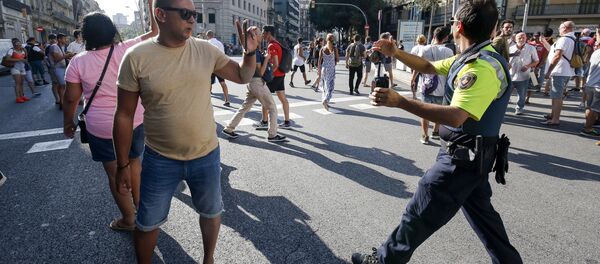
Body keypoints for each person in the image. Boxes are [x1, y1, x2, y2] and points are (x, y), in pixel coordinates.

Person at [352, 0, 522, 262]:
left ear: (458, 26)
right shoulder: (473, 57)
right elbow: (429, 67)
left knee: (417, 215)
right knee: (487, 224)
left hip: (460, 160)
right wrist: (395, 52)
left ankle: (383, 261)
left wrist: (401, 102)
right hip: (473, 158)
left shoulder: (480, 67)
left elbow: (456, 116)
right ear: (493, 29)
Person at [114, 0, 258, 262]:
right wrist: (123, 164)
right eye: (185, 13)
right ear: (161, 14)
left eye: (194, 14)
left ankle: (208, 259)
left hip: (207, 155)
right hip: (159, 159)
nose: (192, 19)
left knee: (212, 212)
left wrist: (249, 53)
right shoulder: (136, 57)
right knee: (147, 223)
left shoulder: (205, 50)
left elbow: (242, 76)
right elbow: (123, 114)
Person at [63, 7, 158, 232]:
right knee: (135, 164)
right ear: (112, 31)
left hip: (101, 127)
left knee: (115, 171)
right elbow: (155, 31)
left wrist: (68, 122)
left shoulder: (77, 62)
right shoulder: (126, 48)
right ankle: (143, 213)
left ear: (85, 36)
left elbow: (71, 99)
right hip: (135, 119)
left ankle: (128, 219)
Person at [221, 27, 287, 142]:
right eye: (258, 33)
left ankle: (229, 128)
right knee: (272, 108)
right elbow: (260, 72)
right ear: (253, 37)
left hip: (252, 83)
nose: (261, 35)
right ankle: (272, 134)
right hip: (257, 83)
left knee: (244, 107)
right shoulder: (254, 52)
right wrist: (266, 59)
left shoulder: (254, 50)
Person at [413, 27, 454, 144]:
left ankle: (424, 135)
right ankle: (435, 132)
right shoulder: (449, 52)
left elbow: (418, 65)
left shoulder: (424, 50)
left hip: (426, 86)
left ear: (433, 36)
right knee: (439, 112)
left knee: (424, 112)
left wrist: (413, 78)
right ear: (446, 37)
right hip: (442, 89)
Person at [541, 21, 576, 126]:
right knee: (556, 95)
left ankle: (555, 119)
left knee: (557, 97)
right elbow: (553, 51)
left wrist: (549, 71)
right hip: (564, 71)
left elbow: (557, 56)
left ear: (565, 28)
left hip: (559, 71)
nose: (559, 30)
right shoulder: (571, 39)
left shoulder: (564, 39)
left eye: (560, 28)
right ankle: (553, 115)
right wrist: (544, 42)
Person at [262, 25, 292, 129]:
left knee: (265, 99)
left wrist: (267, 76)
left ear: (269, 33)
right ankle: (287, 121)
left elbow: (275, 64)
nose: (262, 35)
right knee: (283, 98)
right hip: (281, 74)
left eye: (264, 32)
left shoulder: (271, 45)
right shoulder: (278, 43)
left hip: (274, 76)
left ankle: (264, 122)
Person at [509, 32, 539, 115]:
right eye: (519, 38)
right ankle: (503, 108)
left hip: (523, 76)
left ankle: (519, 108)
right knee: (506, 94)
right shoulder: (510, 48)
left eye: (523, 37)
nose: (521, 39)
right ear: (515, 39)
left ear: (526, 38)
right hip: (510, 75)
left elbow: (536, 61)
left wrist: (528, 66)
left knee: (521, 95)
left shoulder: (531, 48)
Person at [580, 41, 600, 137]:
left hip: (590, 83)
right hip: (597, 85)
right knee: (595, 108)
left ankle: (588, 125)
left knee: (589, 107)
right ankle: (588, 128)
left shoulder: (595, 52)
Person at [206, 30, 231, 107]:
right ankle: (227, 99)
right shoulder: (220, 43)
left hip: (211, 66)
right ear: (213, 35)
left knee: (209, 83)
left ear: (208, 36)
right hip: (220, 66)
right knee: (222, 83)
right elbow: (223, 54)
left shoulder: (207, 43)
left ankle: (208, 101)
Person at [49, 33, 73, 109]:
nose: (66, 40)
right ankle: (61, 102)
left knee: (62, 85)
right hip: (57, 68)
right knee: (62, 85)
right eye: (64, 38)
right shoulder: (54, 46)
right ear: (59, 39)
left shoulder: (62, 47)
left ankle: (62, 101)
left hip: (62, 68)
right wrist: (67, 55)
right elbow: (56, 59)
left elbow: (63, 57)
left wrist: (70, 56)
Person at [525, 32, 549, 103]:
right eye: (534, 36)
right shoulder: (530, 44)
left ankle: (528, 98)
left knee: (533, 83)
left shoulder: (544, 46)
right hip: (527, 66)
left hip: (534, 68)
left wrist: (538, 67)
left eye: (537, 36)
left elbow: (544, 58)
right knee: (524, 83)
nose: (536, 37)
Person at [318, 33, 339, 110]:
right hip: (331, 69)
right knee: (330, 87)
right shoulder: (334, 48)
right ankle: (326, 100)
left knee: (324, 86)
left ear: (326, 39)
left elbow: (319, 61)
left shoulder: (322, 49)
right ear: (333, 40)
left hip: (324, 69)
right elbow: (338, 59)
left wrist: (318, 72)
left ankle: (325, 100)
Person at [410, 34, 430, 100]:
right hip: (423, 66)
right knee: (424, 79)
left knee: (414, 80)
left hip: (414, 66)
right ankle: (424, 92)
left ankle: (414, 95)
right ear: (424, 40)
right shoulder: (426, 48)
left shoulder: (414, 48)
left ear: (417, 40)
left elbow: (411, 58)